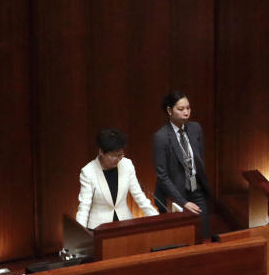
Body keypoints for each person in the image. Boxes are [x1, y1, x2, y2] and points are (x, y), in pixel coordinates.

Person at [153, 91, 211, 239]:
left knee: (202, 234)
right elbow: (162, 175)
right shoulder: (161, 137)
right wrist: (183, 202)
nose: (186, 112)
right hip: (174, 195)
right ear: (169, 110)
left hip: (196, 189)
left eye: (188, 108)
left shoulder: (195, 128)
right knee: (181, 238)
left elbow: (199, 160)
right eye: (181, 109)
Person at [76, 129, 158, 228]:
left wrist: (157, 220)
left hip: (124, 224)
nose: (118, 159)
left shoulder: (127, 164)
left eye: (120, 155)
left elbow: (139, 197)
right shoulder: (88, 172)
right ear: (101, 152)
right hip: (99, 228)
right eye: (114, 156)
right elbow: (84, 207)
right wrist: (80, 234)